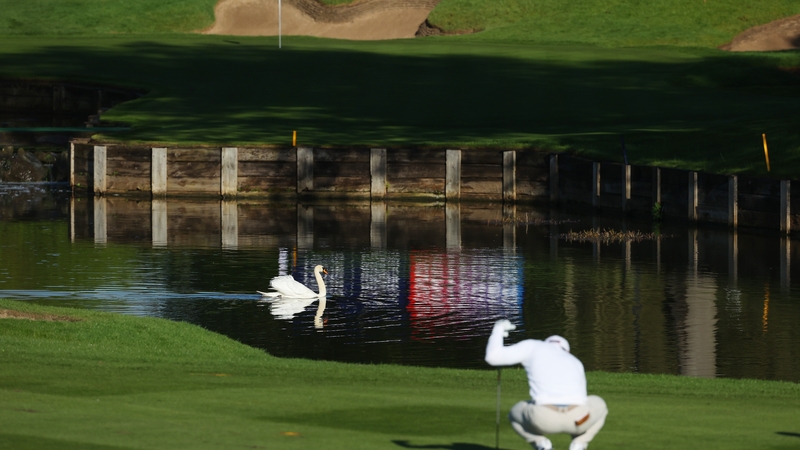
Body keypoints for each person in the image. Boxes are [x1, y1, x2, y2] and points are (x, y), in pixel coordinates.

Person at [485, 320, 608, 450]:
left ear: (547, 344)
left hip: (543, 418)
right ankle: (579, 444)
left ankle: (541, 444)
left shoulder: (534, 346)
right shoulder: (575, 361)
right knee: (600, 405)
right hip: (579, 419)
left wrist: (498, 329)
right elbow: (582, 398)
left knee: (514, 413)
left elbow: (492, 357)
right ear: (566, 350)